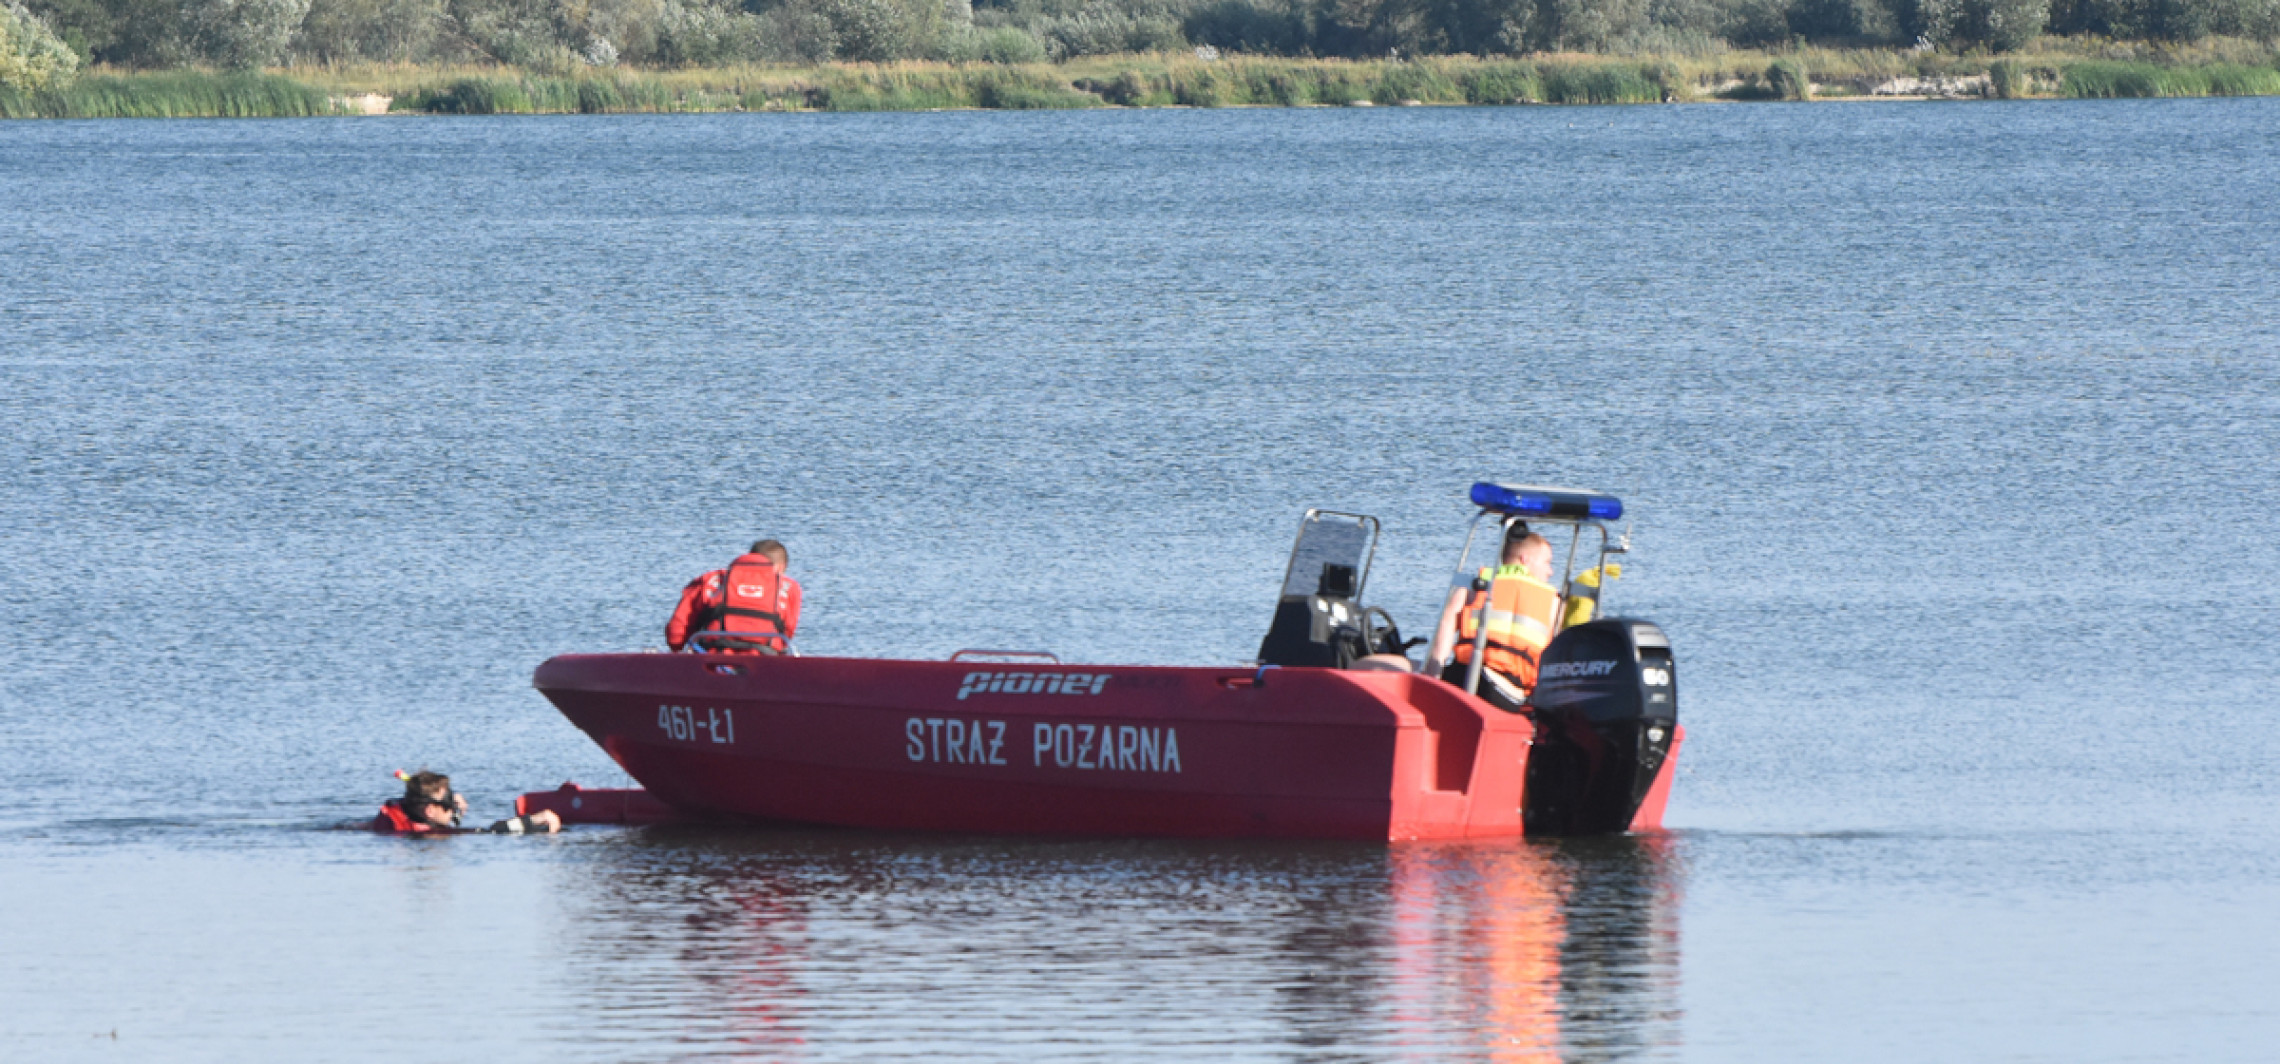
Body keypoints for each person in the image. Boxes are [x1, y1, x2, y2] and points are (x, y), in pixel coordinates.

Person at [1429, 527, 1561, 712]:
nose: (1551, 571)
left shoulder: (1474, 586)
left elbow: (1443, 634)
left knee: (1406, 666)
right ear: (1525, 559)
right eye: (1547, 562)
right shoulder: (1551, 601)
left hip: (1463, 676)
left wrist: (1432, 677)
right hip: (1506, 693)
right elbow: (1555, 657)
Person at [666, 539, 802, 654]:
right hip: (765, 660)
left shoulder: (710, 579)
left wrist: (678, 650)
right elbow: (787, 633)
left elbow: (676, 632)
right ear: (780, 567)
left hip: (713, 658)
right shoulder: (789, 587)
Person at [373, 770, 561, 835]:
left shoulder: (404, 814)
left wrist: (455, 814)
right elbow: (491, 831)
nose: (454, 804)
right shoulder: (428, 834)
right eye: (449, 802)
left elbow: (440, 822)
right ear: (429, 810)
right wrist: (535, 819)